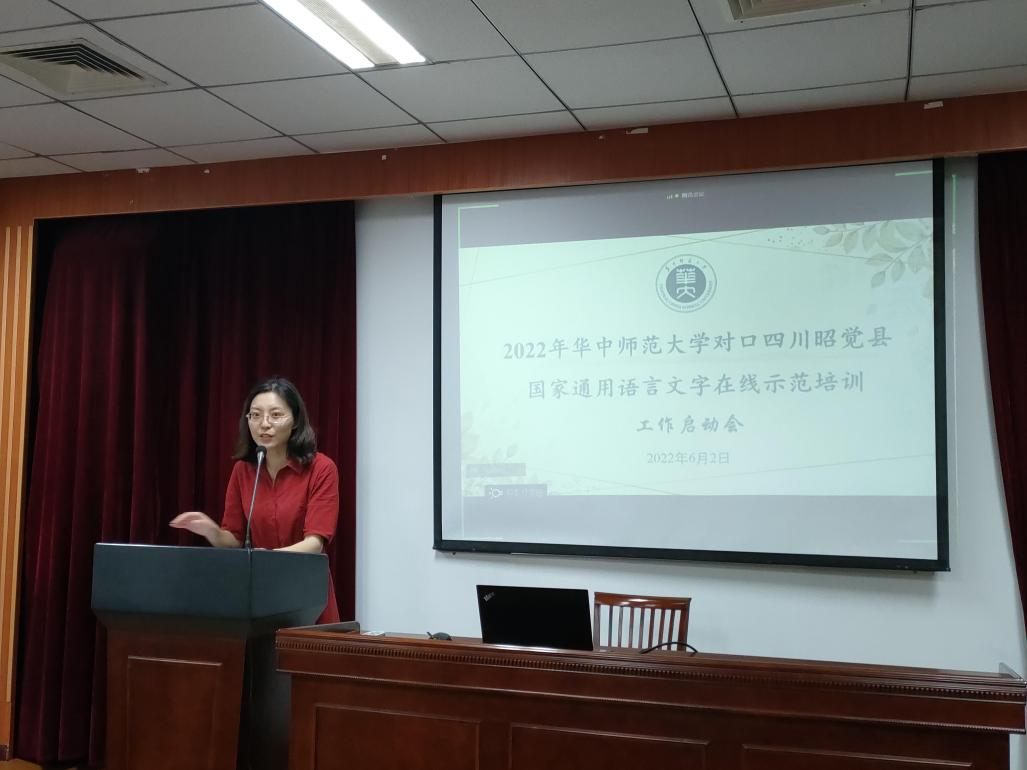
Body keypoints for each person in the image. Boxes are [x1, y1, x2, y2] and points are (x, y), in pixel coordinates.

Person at [170, 376, 340, 623]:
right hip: (261, 595)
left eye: (275, 415)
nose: (264, 424)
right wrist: (211, 531)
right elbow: (234, 540)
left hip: (307, 594)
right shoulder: (243, 470)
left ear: (295, 421)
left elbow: (314, 544)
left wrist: (266, 559)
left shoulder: (321, 468)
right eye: (256, 415)